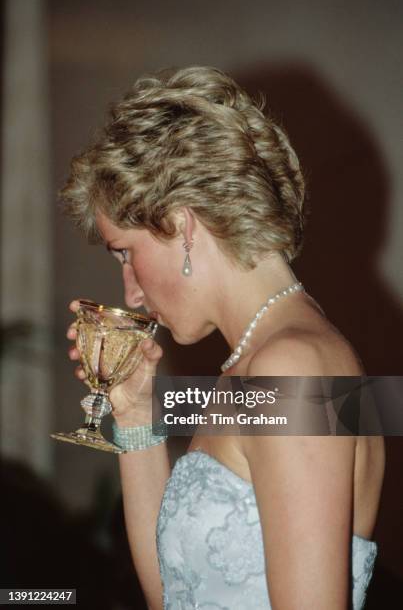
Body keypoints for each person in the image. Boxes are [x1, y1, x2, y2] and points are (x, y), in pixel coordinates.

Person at [63, 65, 385, 609]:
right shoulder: (256, 364)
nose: (133, 293)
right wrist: (136, 413)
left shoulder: (295, 369)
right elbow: (175, 595)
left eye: (126, 254)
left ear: (182, 225)